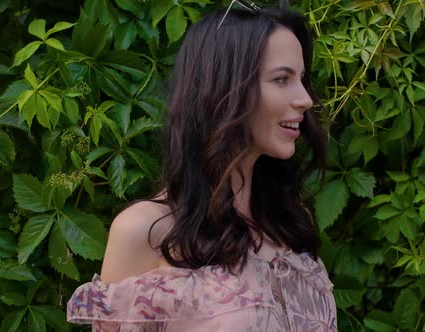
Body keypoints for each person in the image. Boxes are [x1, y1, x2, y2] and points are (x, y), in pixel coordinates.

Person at [67, 2, 337, 331]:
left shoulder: (290, 224)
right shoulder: (144, 231)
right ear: (225, 88)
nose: (305, 98)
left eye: (301, 79)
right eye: (282, 79)